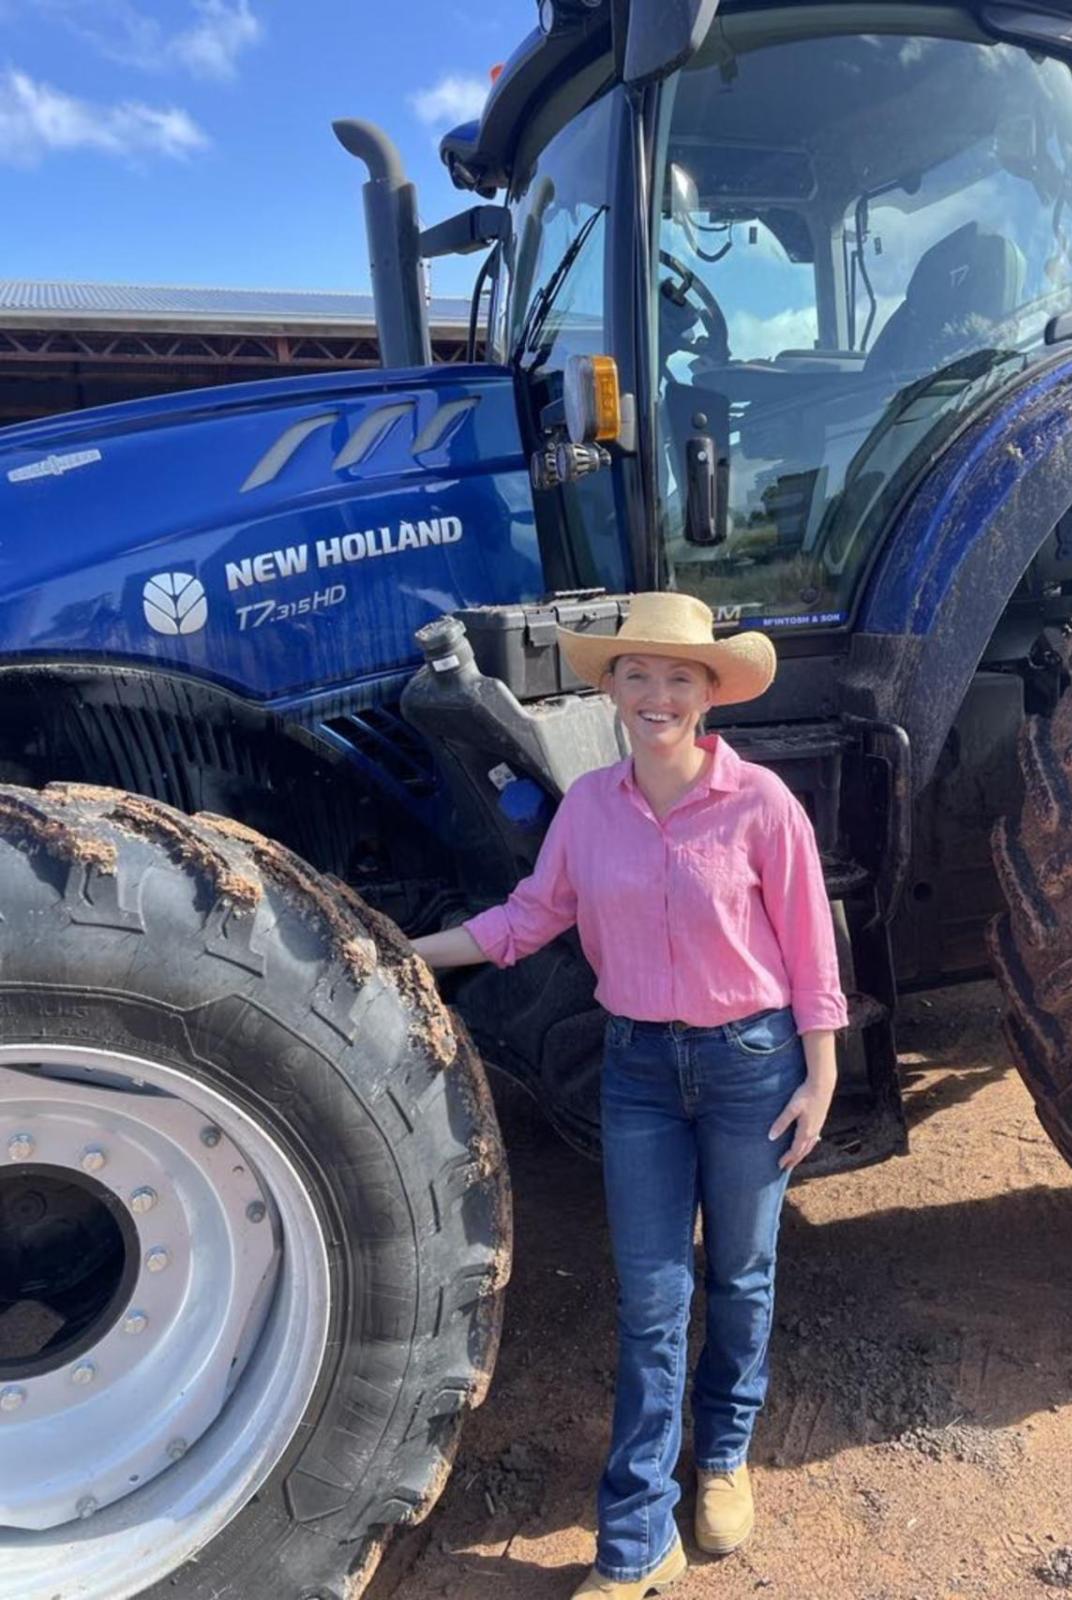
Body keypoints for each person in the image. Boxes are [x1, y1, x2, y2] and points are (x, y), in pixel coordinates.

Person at [408, 591, 847, 1599]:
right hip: (640, 1072)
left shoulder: (761, 807)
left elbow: (811, 948)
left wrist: (820, 1075)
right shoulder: (588, 810)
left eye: (677, 676)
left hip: (751, 1066)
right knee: (652, 1300)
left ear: (707, 694)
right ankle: (639, 1536)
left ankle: (725, 1453)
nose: (656, 693)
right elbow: (528, 917)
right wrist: (414, 953)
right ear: (609, 687)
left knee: (741, 1274)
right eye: (635, 674)